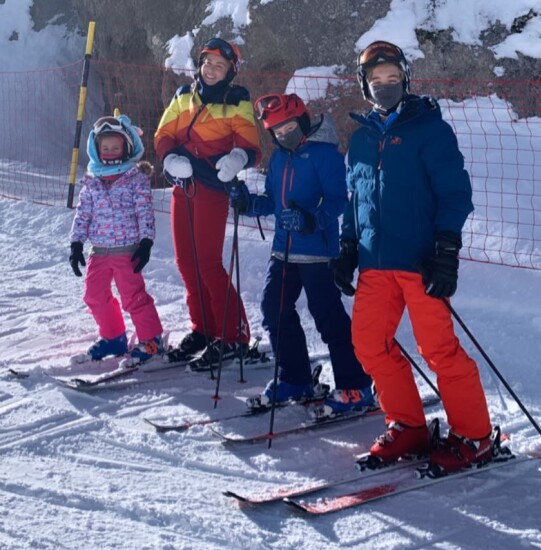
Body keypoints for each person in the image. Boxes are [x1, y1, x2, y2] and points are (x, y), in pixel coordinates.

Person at [329, 40, 493, 475]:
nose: (385, 86)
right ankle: (408, 426)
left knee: (439, 350)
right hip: (374, 264)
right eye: (376, 81)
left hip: (419, 260)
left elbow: (455, 194)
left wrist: (446, 250)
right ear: (365, 86)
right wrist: (347, 248)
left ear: (405, 79)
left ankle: (474, 436)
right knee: (369, 345)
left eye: (392, 78)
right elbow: (354, 200)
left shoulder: (430, 129)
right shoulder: (362, 138)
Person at [230, 93, 372, 410]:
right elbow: (274, 203)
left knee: (328, 319)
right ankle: (295, 378)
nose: (284, 135)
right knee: (274, 310)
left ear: (303, 121)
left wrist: (311, 219)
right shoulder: (280, 158)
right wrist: (249, 203)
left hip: (318, 253)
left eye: (289, 127)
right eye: (277, 132)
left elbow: (337, 200)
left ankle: (357, 385)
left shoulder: (325, 155)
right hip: (283, 251)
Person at [154, 38, 261, 366]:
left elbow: (251, 144)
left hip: (212, 187)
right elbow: (163, 134)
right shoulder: (184, 95)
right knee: (186, 263)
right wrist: (170, 159)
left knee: (208, 264)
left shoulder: (237, 99)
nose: (211, 70)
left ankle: (234, 335)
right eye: (207, 63)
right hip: (183, 185)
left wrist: (239, 157)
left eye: (220, 65)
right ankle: (204, 328)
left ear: (231, 70)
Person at [69, 114, 165, 364]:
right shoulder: (91, 181)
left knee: (133, 296)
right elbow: (83, 214)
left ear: (127, 147)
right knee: (94, 295)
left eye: (115, 147)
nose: (110, 152)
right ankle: (114, 337)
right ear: (96, 149)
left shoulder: (135, 179)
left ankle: (152, 340)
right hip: (99, 251)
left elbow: (144, 211)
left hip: (128, 250)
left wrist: (146, 242)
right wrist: (77, 243)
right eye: (105, 148)